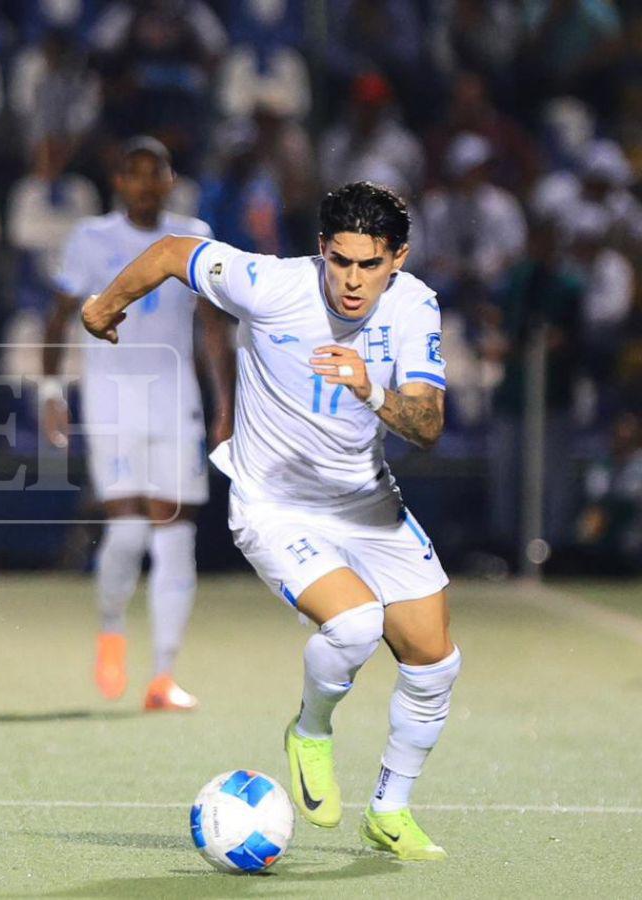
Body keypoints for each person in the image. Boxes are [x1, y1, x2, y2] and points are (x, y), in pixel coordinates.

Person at [82, 182, 458, 860]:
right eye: (340, 260)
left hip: (367, 503)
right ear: (321, 249)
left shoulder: (414, 305)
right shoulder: (269, 283)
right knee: (355, 626)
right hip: (274, 505)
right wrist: (104, 305)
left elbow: (428, 425)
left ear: (397, 259)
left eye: (369, 265)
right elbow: (170, 252)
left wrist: (370, 389)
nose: (352, 280)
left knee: (434, 663)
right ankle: (310, 731)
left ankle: (389, 811)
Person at [42, 136, 234, 711]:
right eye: (135, 173)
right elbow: (58, 317)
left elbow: (213, 328)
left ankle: (164, 675)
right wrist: (51, 390)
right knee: (126, 533)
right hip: (111, 399)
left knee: (175, 534)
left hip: (175, 401)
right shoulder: (91, 238)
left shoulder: (193, 237)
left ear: (171, 181)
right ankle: (111, 627)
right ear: (118, 182)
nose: (147, 183)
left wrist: (226, 405)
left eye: (157, 173)